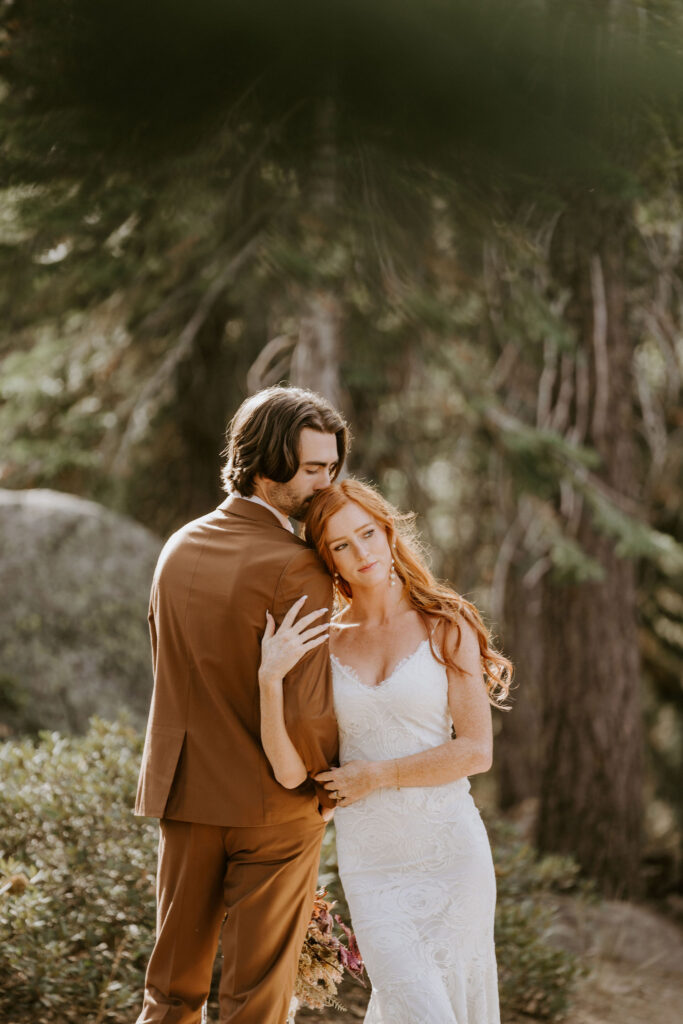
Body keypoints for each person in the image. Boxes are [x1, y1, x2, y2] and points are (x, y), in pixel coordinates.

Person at [258, 478, 512, 1024]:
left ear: (389, 531)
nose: (362, 553)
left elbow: (475, 751)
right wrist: (270, 679)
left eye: (368, 534)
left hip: (452, 856)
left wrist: (376, 775)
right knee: (415, 1005)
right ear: (327, 560)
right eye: (341, 546)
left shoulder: (448, 622)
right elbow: (289, 767)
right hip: (372, 865)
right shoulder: (323, 641)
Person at [134, 385, 349, 1024]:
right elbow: (309, 711)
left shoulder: (177, 548)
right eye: (312, 469)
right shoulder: (300, 567)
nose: (327, 483)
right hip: (273, 804)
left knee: (169, 994)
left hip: (186, 795)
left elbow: (167, 667)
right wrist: (321, 790)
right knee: (257, 1001)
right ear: (264, 465)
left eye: (333, 467)